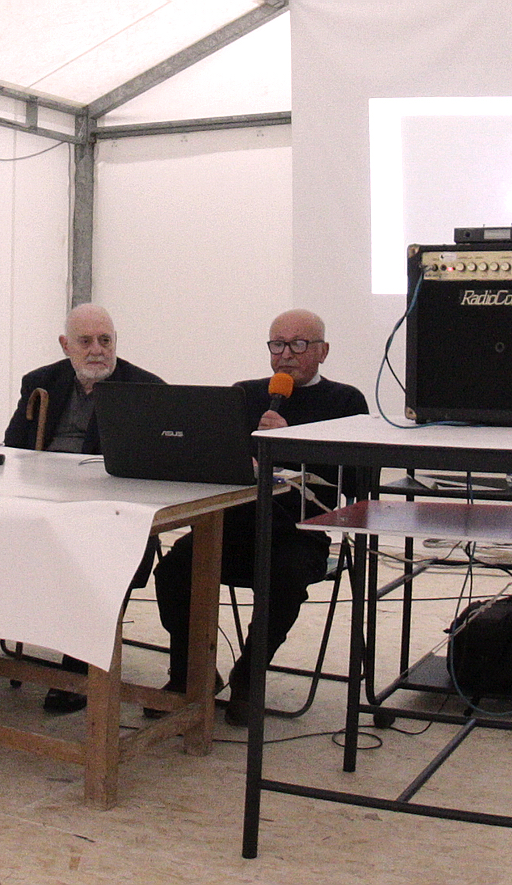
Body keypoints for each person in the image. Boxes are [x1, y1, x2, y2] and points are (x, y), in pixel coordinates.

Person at [151, 308, 368, 726]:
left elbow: (357, 483)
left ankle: (249, 678)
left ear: (323, 351)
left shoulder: (345, 402)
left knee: (284, 577)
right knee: (175, 570)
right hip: (235, 525)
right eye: (277, 344)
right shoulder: (246, 395)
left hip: (300, 531)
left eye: (298, 344)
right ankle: (191, 674)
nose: (286, 355)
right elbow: (216, 460)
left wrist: (290, 443)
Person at [4, 303, 164, 713]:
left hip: (108, 512)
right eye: (86, 341)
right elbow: (14, 448)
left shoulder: (144, 388)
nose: (97, 350)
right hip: (44, 504)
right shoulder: (41, 382)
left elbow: (157, 468)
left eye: (105, 340)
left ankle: (79, 668)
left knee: (102, 553)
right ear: (65, 345)